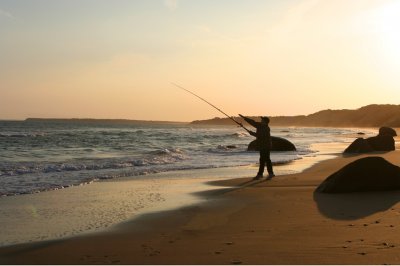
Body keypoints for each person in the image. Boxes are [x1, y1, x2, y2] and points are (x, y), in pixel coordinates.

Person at [239, 114, 275, 180]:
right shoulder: (260, 125)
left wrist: (251, 133)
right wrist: (244, 118)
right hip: (263, 145)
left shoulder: (266, 128)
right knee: (263, 160)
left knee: (266, 159)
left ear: (265, 122)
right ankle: (262, 174)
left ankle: (268, 174)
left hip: (266, 146)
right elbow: (252, 122)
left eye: (262, 120)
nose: (261, 120)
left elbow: (259, 135)